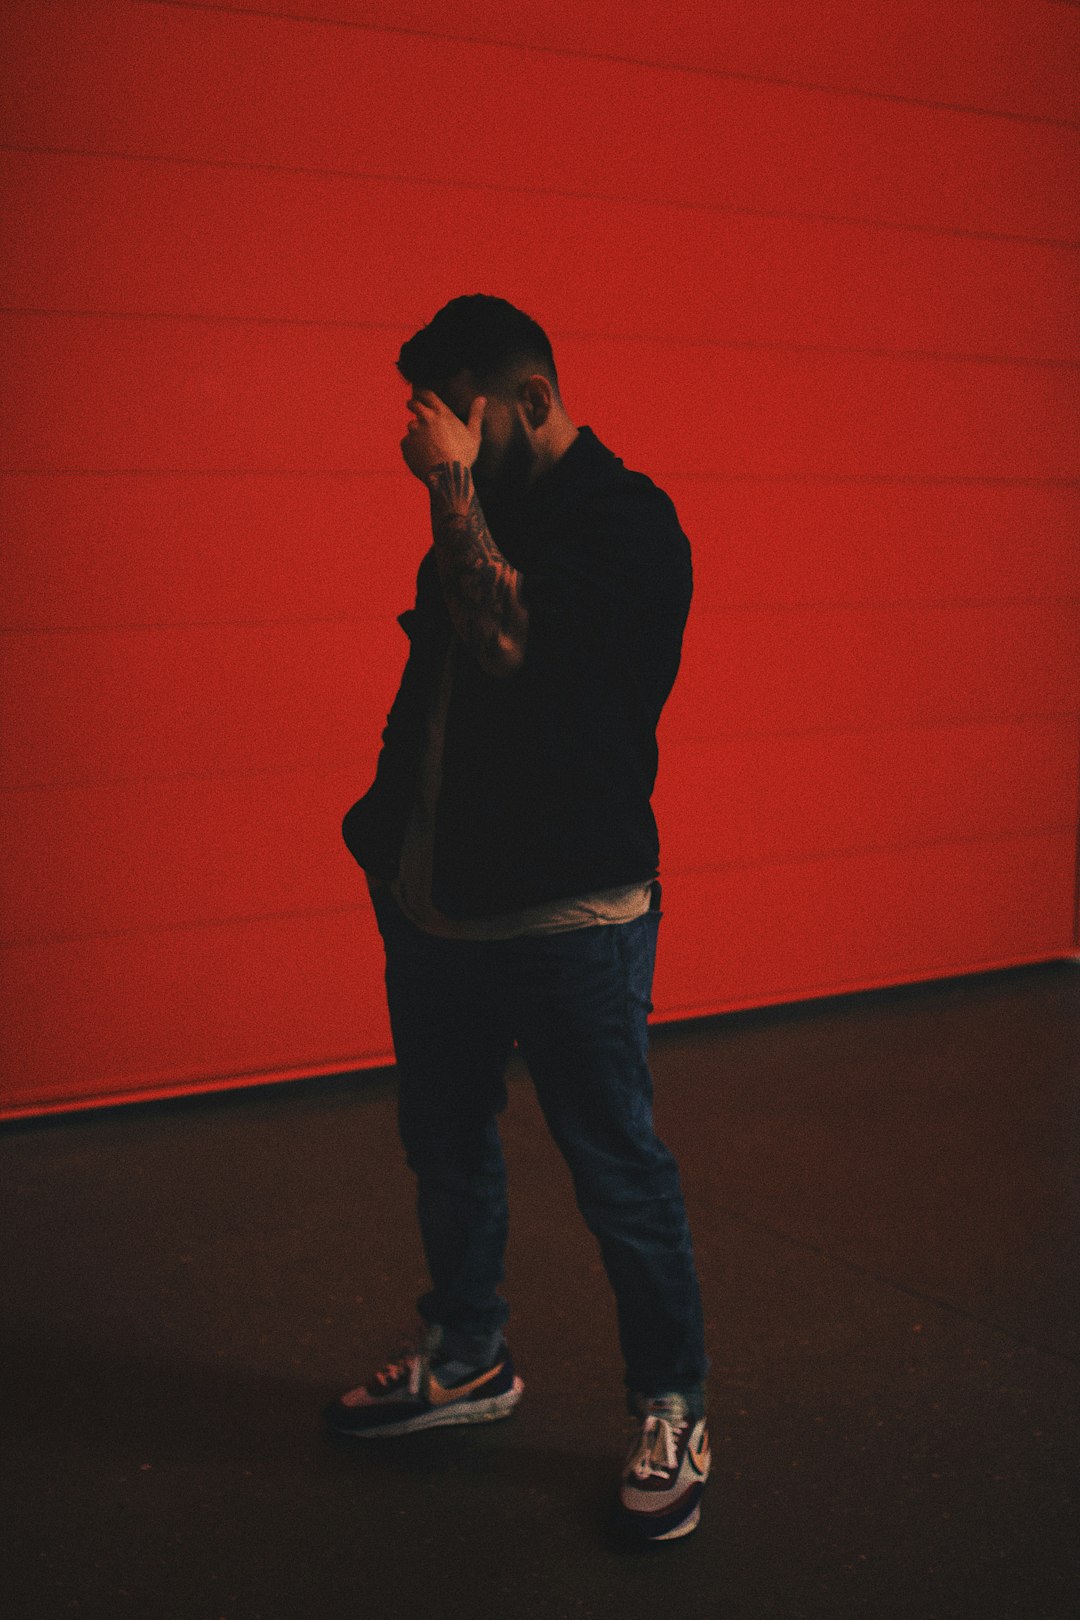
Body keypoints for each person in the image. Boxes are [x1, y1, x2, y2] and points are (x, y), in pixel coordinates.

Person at [327, 294, 709, 1541]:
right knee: (447, 1148)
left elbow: (500, 641)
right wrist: (390, 854)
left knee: (617, 1172)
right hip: (438, 908)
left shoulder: (629, 525)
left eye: (452, 418)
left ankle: (670, 1402)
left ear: (529, 402)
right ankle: (468, 1356)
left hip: (569, 924)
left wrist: (448, 492)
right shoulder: (491, 515)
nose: (428, 440)